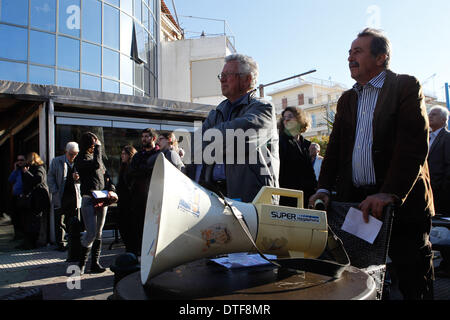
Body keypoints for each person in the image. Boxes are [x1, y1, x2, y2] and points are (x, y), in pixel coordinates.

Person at [308, 28, 434, 299]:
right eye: (349, 52)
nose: (350, 57)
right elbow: (336, 150)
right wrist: (324, 188)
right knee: (361, 276)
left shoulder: (405, 86)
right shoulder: (348, 99)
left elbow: (413, 146)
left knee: (412, 274)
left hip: (402, 201)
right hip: (360, 205)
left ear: (380, 58)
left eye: (358, 51)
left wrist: (389, 192)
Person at [196, 53, 279, 202]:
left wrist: (214, 141)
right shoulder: (217, 112)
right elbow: (198, 143)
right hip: (216, 195)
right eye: (221, 75)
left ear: (247, 79)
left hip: (253, 198)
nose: (222, 79)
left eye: (228, 75)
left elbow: (239, 136)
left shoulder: (263, 108)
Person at [75, 132, 118, 274]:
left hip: (102, 198)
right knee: (91, 233)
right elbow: (95, 165)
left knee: (99, 232)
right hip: (89, 198)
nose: (95, 145)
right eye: (94, 143)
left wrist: (111, 188)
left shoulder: (97, 157)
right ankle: (81, 264)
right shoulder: (80, 158)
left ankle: (95, 263)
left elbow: (106, 175)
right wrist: (99, 149)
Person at [127, 128, 161, 256]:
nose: (144, 139)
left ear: (153, 138)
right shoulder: (138, 155)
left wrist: (142, 170)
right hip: (138, 198)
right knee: (139, 227)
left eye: (147, 136)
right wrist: (145, 169)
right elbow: (132, 172)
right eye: (143, 136)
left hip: (154, 197)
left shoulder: (159, 154)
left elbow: (156, 172)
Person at [278, 107, 317, 208]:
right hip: (288, 198)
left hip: (308, 197)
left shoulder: (306, 144)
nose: (286, 119)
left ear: (300, 119)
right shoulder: (280, 142)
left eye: (290, 116)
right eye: (284, 117)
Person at [427, 105, 450, 277]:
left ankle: (447, 265)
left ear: (444, 119)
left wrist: (443, 189)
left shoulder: (447, 138)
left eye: (434, 114)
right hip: (428, 193)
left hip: (441, 192)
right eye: (429, 114)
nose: (430, 116)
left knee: (445, 230)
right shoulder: (426, 138)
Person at [47, 142, 82, 253]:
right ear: (66, 152)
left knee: (75, 220)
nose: (73, 156)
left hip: (75, 196)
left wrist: (78, 178)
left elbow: (85, 178)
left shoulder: (80, 161)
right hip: (60, 195)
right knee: (60, 221)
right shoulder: (56, 161)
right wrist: (54, 191)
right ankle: (61, 243)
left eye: (76, 154)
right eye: (71, 154)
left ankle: (74, 242)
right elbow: (50, 176)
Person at [19, 152, 51, 249]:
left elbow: (38, 179)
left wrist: (27, 173)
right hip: (34, 199)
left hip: (38, 199)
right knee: (31, 221)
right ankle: (29, 242)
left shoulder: (39, 168)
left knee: (35, 221)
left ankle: (33, 243)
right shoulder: (34, 169)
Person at [117, 145, 137, 253]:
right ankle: (129, 248)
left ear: (130, 155)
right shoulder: (123, 167)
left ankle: (131, 250)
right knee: (123, 226)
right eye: (122, 154)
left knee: (128, 227)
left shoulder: (132, 168)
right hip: (123, 201)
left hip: (129, 203)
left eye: (124, 154)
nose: (122, 156)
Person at [8, 154, 26, 241]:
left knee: (22, 217)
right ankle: (17, 234)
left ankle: (23, 235)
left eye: (22, 160)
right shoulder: (17, 171)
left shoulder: (26, 170)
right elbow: (10, 180)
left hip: (23, 196)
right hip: (15, 195)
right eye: (18, 160)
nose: (20, 162)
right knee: (15, 217)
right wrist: (15, 169)